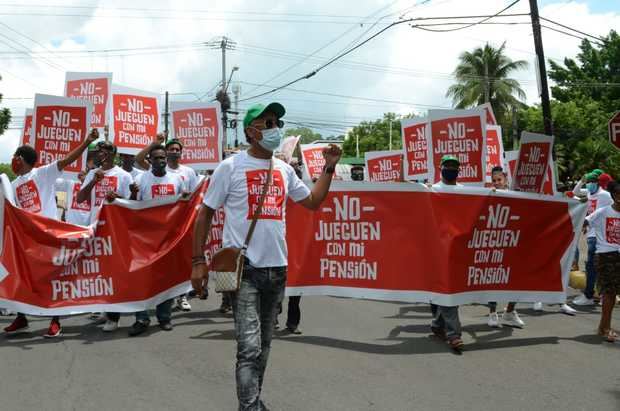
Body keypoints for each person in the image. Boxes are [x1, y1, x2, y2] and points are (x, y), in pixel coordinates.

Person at [191, 102, 342, 411]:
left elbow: (312, 201)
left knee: (265, 345)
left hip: (277, 269)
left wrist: (329, 167)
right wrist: (198, 262)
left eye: (277, 122)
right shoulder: (229, 168)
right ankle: (249, 407)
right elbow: (205, 212)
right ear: (251, 131)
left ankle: (252, 401)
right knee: (248, 347)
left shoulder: (284, 170)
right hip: (242, 270)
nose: (276, 128)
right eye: (269, 123)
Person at [4, 129, 98, 337]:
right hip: (28, 239)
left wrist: (85, 142)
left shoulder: (42, 174)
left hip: (49, 235)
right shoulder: (13, 184)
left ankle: (55, 320)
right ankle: (21, 317)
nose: (14, 161)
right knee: (24, 276)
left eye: (16, 157)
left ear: (24, 160)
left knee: (53, 278)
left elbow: (65, 161)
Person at [127, 144, 185, 336]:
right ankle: (141, 318)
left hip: (168, 238)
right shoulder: (141, 179)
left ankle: (164, 317)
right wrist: (133, 193)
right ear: (150, 160)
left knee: (165, 278)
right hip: (145, 238)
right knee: (141, 278)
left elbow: (182, 205)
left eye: (163, 158)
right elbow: (132, 205)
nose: (161, 161)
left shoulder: (176, 179)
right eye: (157, 158)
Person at [137, 135, 197, 312]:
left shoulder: (182, 176)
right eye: (170, 150)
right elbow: (135, 204)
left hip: (172, 233)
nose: (172, 153)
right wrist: (155, 143)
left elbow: (189, 200)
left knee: (171, 272)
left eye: (177, 150)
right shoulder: (144, 178)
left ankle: (169, 309)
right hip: (150, 235)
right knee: (149, 273)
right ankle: (145, 311)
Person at [78, 141, 133, 332]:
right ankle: (104, 309)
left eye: (106, 150)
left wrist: (116, 197)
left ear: (114, 154)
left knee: (113, 272)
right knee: (99, 271)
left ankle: (114, 317)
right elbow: (80, 199)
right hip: (95, 228)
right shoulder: (93, 173)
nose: (102, 153)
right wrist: (93, 180)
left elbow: (131, 202)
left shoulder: (124, 176)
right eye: (99, 151)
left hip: (115, 230)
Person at [429, 155, 464, 350]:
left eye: (454, 166)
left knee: (451, 289)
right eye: (448, 165)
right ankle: (453, 334)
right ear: (440, 168)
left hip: (458, 247)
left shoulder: (465, 191)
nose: (451, 169)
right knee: (449, 289)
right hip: (439, 247)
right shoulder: (432, 190)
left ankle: (437, 324)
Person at [487, 167, 525, 328]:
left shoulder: (516, 195)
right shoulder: (487, 196)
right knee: (493, 279)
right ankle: (492, 313)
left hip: (512, 242)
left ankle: (509, 311)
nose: (496, 183)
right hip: (494, 243)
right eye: (494, 181)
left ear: (505, 179)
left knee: (517, 279)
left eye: (499, 180)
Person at [582, 180, 620, 342]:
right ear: (612, 195)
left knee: (612, 294)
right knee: (609, 294)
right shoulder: (603, 212)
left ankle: (603, 327)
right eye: (617, 195)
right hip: (606, 257)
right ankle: (604, 328)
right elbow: (585, 221)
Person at [572, 171, 613, 306]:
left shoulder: (605, 195)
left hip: (599, 235)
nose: (589, 185)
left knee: (592, 265)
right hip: (590, 233)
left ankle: (590, 295)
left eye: (591, 182)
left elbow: (613, 209)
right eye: (588, 182)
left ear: (597, 183)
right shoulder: (590, 193)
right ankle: (600, 295)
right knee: (596, 265)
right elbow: (575, 191)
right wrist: (582, 180)